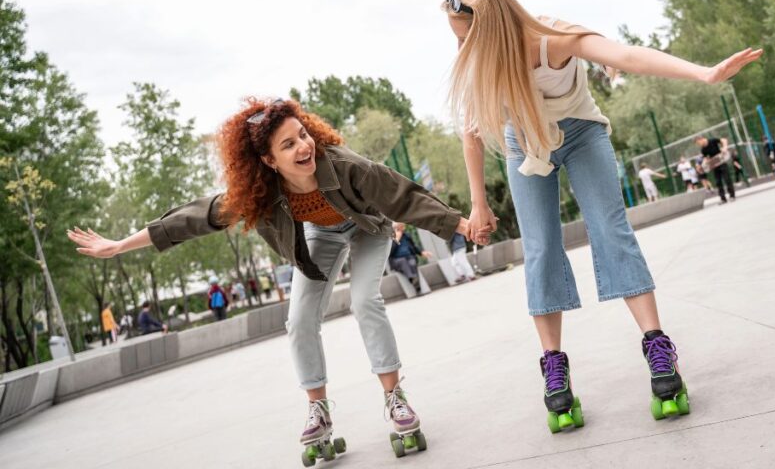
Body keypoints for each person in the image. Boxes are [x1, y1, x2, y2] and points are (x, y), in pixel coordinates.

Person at [68, 98, 481, 452]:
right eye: (289, 144)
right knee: (298, 321)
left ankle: (395, 398)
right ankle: (318, 410)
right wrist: (120, 245)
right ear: (269, 160)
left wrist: (461, 224)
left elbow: (401, 195)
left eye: (303, 134)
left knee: (364, 300)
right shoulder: (258, 194)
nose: (304, 147)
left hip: (368, 227)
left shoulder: (344, 165)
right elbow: (190, 219)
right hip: (321, 235)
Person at [443, 0, 761, 428]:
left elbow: (627, 56)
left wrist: (704, 72)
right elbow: (471, 134)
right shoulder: (476, 62)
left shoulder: (554, 37)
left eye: (465, 36)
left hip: (581, 132)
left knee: (611, 229)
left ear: (490, 27)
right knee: (540, 249)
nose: (461, 48)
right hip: (525, 146)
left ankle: (657, 348)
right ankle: (554, 369)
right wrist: (479, 203)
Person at [389, 222, 433, 295]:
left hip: (409, 257)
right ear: (396, 228)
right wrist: (396, 239)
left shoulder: (407, 235)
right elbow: (389, 252)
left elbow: (414, 247)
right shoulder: (390, 238)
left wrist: (422, 253)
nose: (404, 226)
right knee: (403, 262)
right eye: (402, 226)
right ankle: (414, 280)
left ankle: (413, 280)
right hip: (397, 260)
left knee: (412, 261)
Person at [696, 135, 735, 204]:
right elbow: (705, 158)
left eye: (698, 143)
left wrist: (724, 147)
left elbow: (724, 140)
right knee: (718, 182)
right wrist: (703, 164)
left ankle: (732, 195)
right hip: (714, 164)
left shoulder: (712, 140)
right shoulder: (703, 149)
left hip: (721, 161)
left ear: (701, 139)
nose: (699, 144)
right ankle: (723, 199)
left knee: (727, 179)